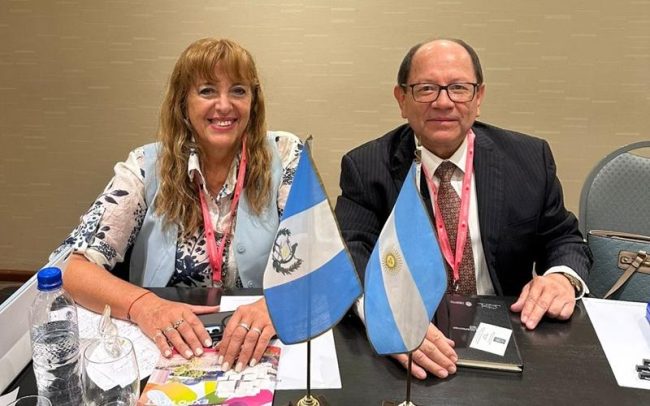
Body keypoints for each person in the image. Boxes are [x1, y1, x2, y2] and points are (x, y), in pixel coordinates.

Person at [334, 38, 592, 380]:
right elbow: (350, 253)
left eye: (458, 88)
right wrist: (385, 316)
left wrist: (561, 278)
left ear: (479, 97)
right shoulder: (367, 167)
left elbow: (564, 239)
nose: (443, 102)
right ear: (402, 100)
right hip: (410, 334)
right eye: (426, 89)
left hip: (510, 333)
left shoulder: (529, 159)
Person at [50, 38, 302, 373]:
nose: (224, 105)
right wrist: (144, 306)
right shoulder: (145, 166)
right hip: (169, 349)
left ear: (253, 101)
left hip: (260, 346)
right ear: (183, 103)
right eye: (207, 90)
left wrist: (276, 306)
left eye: (238, 91)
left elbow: (321, 261)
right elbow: (70, 268)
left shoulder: (285, 155)